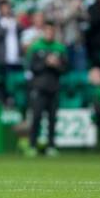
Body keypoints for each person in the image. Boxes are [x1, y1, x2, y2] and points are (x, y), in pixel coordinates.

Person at [25, 21, 67, 157]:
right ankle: (32, 146)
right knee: (36, 117)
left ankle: (51, 146)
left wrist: (56, 64)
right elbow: (32, 67)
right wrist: (46, 63)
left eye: (51, 31)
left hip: (54, 88)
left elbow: (65, 68)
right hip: (39, 88)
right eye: (47, 31)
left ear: (54, 32)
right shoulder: (36, 47)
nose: (49, 34)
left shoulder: (59, 48)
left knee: (52, 119)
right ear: (43, 32)